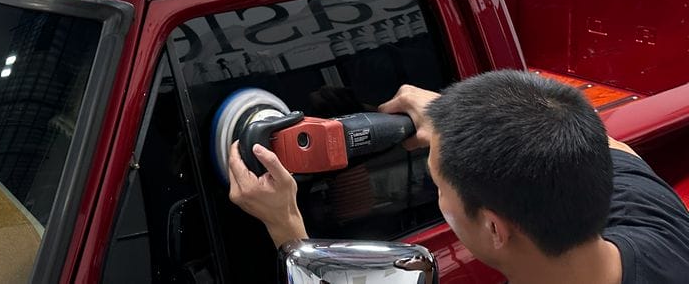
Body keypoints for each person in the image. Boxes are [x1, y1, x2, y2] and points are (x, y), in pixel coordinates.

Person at [228, 69, 689, 283]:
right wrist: (455, 118)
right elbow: (611, 147)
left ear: (493, 228)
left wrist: (287, 231)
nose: (439, 198)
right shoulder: (662, 230)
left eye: (440, 189)